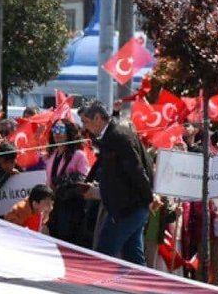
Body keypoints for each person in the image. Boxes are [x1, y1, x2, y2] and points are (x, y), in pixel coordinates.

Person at [79, 101, 153, 266]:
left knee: (105, 252)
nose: (84, 127)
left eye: (86, 122)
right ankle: (140, 283)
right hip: (127, 207)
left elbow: (136, 170)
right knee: (133, 257)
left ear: (97, 118)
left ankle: (99, 283)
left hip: (128, 208)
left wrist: (148, 198)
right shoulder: (111, 136)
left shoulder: (118, 137)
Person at [45, 118, 94, 247]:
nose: (57, 133)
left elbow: (85, 179)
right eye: (55, 129)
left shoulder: (78, 155)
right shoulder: (52, 154)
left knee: (69, 241)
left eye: (61, 129)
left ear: (68, 133)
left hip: (72, 207)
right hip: (55, 205)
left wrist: (66, 180)